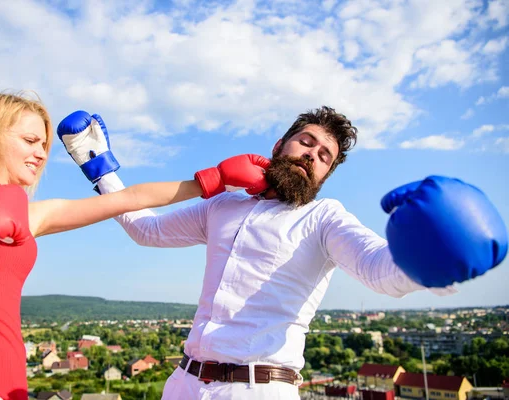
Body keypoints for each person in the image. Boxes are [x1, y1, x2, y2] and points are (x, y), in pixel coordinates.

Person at [58, 107, 507, 400]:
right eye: (306, 142)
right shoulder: (223, 205)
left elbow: (378, 269)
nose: (313, 155)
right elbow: (147, 230)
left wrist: (432, 256)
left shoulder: (324, 218)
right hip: (183, 382)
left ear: (324, 176)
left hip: (258, 388)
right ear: (278, 147)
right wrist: (97, 165)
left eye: (325, 156)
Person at [0, 93, 271, 400]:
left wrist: (215, 179)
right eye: (29, 141)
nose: (40, 154)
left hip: (10, 386)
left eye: (45, 145)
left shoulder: (28, 215)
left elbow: (129, 199)